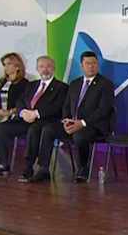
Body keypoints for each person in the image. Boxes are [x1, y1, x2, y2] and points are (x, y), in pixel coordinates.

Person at [30, 51, 115, 183]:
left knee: (80, 135)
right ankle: (43, 169)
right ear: (82, 66)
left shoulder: (106, 84)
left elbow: (104, 110)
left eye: (94, 63)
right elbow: (66, 106)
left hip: (93, 126)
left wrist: (82, 123)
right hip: (72, 124)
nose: (91, 66)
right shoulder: (75, 83)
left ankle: (83, 169)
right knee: (48, 129)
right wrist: (66, 121)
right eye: (88, 63)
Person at [0, 56, 68, 180]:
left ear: (54, 69)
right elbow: (20, 101)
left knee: (33, 130)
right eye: (41, 67)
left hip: (45, 121)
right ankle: (3, 164)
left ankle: (29, 167)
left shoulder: (61, 87)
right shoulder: (32, 85)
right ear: (37, 69)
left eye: (48, 66)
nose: (45, 70)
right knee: (2, 127)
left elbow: (57, 107)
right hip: (26, 119)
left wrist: (36, 113)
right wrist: (23, 112)